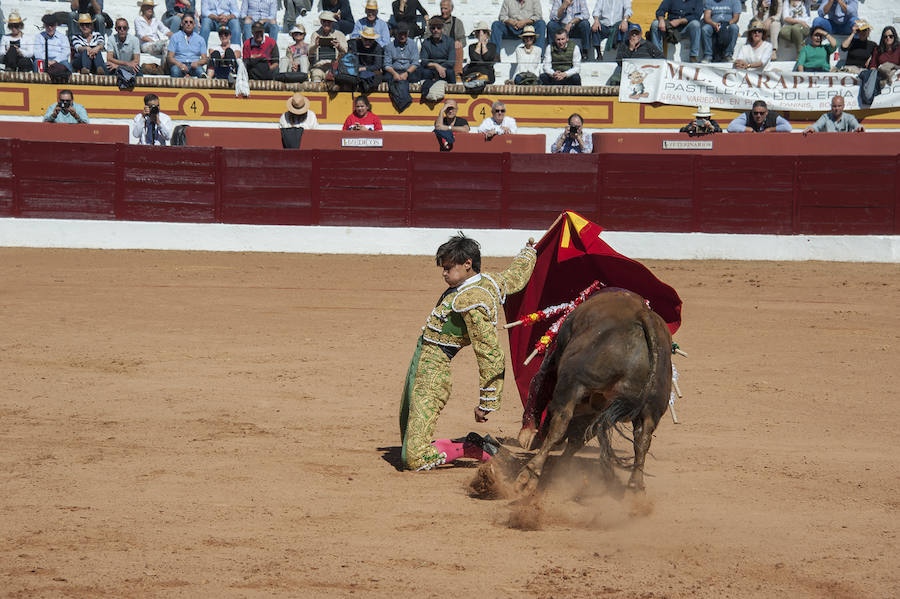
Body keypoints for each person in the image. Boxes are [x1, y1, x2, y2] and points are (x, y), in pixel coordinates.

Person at [399, 234, 536, 471]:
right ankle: (455, 445)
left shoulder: (473, 301)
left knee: (414, 456)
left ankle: (472, 448)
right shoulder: (490, 281)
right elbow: (515, 276)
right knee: (407, 431)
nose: (444, 273)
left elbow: (490, 353)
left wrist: (487, 402)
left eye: (448, 268)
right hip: (422, 359)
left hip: (433, 366)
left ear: (468, 264)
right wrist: (529, 252)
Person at [384, 22, 420, 110]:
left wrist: (407, 73)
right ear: (396, 33)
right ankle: (405, 100)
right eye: (400, 34)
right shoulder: (389, 47)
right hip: (394, 70)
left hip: (409, 70)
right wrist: (394, 74)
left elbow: (415, 63)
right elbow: (387, 64)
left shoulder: (413, 44)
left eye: (404, 34)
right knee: (394, 80)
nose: (402, 36)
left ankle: (402, 101)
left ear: (407, 33)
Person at [419, 16, 456, 98]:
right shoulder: (426, 42)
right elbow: (424, 61)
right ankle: (425, 96)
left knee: (450, 72)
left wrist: (441, 68)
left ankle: (453, 97)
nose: (436, 30)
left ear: (442, 29)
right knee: (424, 72)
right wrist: (436, 66)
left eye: (438, 28)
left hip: (445, 69)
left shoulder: (449, 41)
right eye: (433, 28)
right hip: (431, 69)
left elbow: (451, 62)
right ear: (430, 29)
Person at [548, 0, 591, 65]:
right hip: (561, 27)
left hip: (575, 27)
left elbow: (586, 15)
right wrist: (563, 6)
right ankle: (553, 50)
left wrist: (571, 23)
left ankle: (585, 51)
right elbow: (552, 17)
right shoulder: (558, 1)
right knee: (551, 25)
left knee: (585, 24)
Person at [309, 11, 348, 81]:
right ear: (321, 22)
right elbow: (310, 53)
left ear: (332, 22)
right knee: (316, 76)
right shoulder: (315, 34)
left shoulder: (340, 35)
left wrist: (339, 46)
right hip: (318, 66)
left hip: (334, 67)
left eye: (329, 22)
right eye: (324, 21)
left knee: (333, 79)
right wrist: (315, 45)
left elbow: (345, 52)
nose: (326, 24)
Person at [349, 26, 383, 92]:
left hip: (371, 70)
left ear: (373, 40)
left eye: (370, 40)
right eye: (365, 39)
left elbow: (378, 65)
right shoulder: (355, 44)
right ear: (361, 38)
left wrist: (364, 68)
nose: (368, 42)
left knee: (377, 76)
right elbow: (353, 60)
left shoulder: (377, 47)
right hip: (358, 69)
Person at [727, 100, 791, 132]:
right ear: (752, 112)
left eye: (761, 113)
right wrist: (749, 130)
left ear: (766, 113)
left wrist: (769, 130)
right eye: (755, 113)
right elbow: (730, 127)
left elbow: (788, 127)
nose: (758, 116)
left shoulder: (773, 116)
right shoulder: (746, 116)